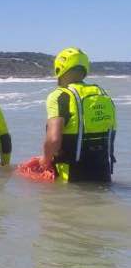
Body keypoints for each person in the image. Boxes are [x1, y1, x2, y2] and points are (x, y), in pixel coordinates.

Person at [41, 48, 116, 182]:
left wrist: (44, 161)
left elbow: (53, 140)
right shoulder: (102, 94)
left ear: (59, 68)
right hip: (103, 172)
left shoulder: (60, 95)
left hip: (71, 176)